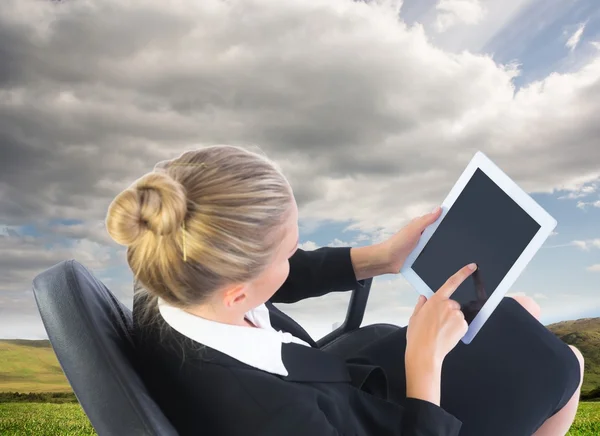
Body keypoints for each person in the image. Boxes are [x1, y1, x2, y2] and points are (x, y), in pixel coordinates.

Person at [105, 144, 584, 436]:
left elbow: (283, 275)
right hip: (398, 419)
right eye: (288, 249)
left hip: (342, 388)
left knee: (517, 309)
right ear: (237, 292)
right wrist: (424, 364)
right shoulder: (270, 417)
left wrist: (382, 257)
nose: (296, 256)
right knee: (566, 362)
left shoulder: (169, 266)